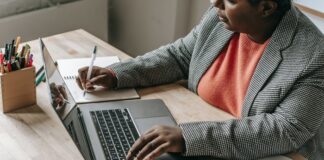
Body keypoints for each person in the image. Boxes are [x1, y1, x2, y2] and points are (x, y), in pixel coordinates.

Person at [77, 0, 324, 159]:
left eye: (231, 0)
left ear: (266, 8)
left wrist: (188, 137)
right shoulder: (221, 17)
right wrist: (117, 73)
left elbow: (284, 131)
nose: (215, 1)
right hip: (199, 126)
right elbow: (180, 55)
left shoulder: (314, 55)